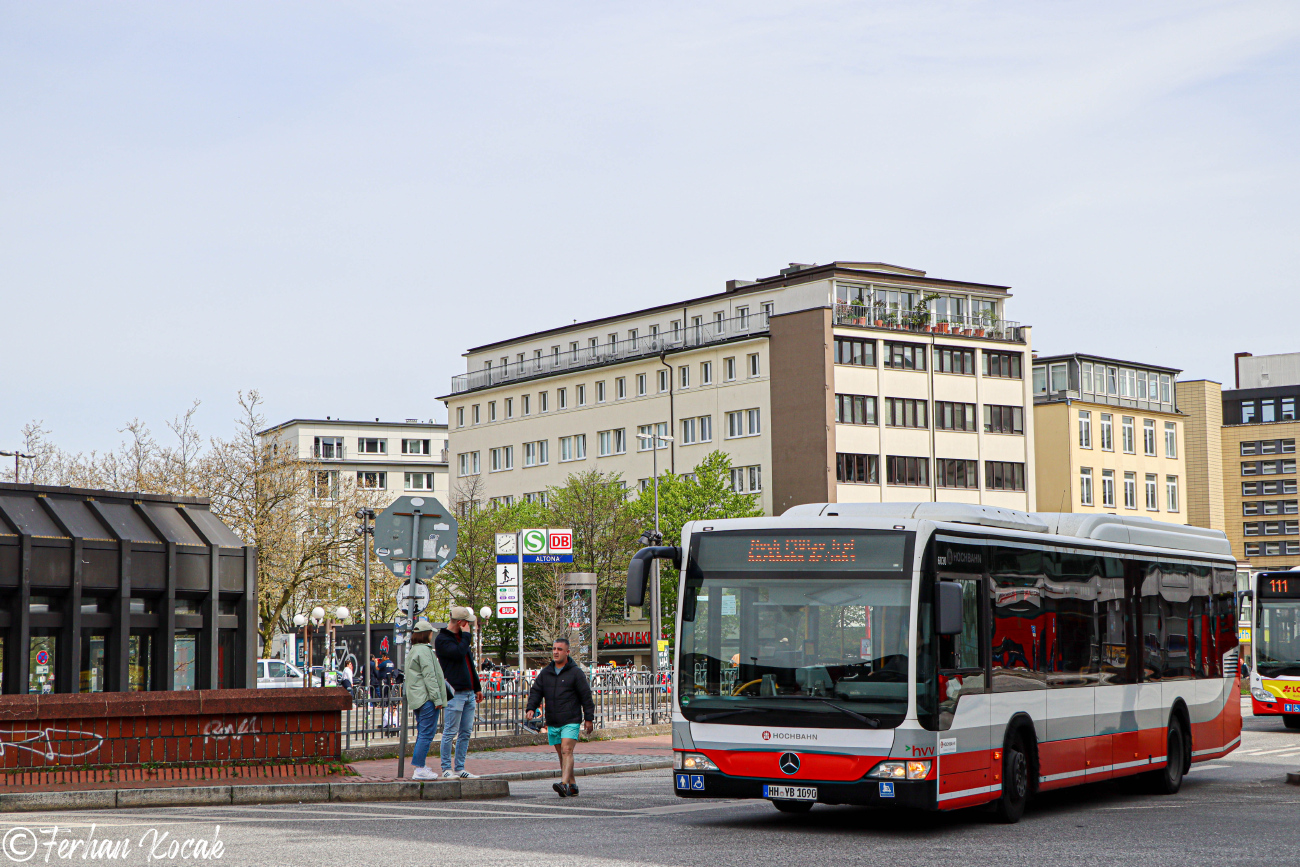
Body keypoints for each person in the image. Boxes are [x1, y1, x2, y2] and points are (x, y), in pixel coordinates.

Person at [526, 637, 595, 797]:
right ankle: (572, 785)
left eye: (560, 649)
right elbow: (536, 691)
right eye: (554, 649)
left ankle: (563, 784)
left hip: (571, 719)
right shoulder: (546, 672)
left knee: (567, 750)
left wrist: (589, 718)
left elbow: (586, 696)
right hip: (553, 720)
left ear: (567, 652)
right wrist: (531, 707)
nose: (556, 652)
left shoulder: (575, 673)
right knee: (561, 754)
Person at [436, 606, 483, 779]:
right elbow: (458, 653)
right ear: (461, 622)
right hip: (456, 692)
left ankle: (460, 767)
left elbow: (469, 662)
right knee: (450, 731)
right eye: (467, 623)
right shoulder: (443, 639)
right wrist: (466, 636)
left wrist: (476, 687)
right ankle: (446, 768)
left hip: (469, 691)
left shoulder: (461, 639)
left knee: (465, 732)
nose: (469, 626)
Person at [403, 618, 449, 780]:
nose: (432, 636)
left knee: (422, 732)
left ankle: (420, 765)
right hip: (427, 698)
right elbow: (430, 677)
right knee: (427, 734)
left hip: (417, 698)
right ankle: (419, 768)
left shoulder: (413, 651)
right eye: (431, 633)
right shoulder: (425, 651)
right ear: (426, 634)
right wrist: (437, 699)